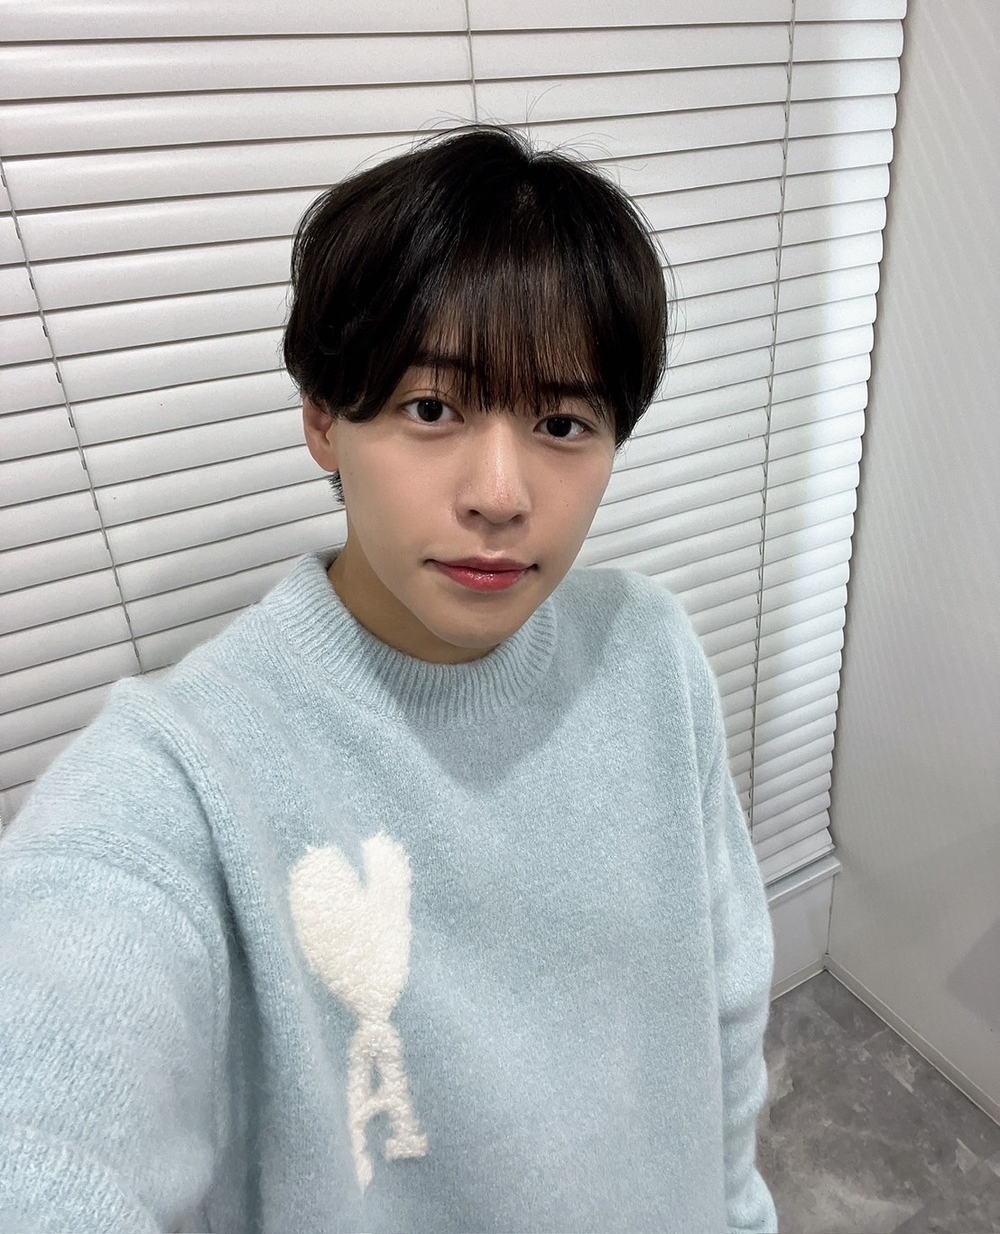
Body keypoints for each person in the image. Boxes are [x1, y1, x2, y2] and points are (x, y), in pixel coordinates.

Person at [0, 125, 778, 1233]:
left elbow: (726, 999)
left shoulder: (649, 653)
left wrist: (740, 1213)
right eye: (432, 408)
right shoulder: (182, 777)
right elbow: (46, 1106)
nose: (500, 493)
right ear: (324, 418)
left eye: (563, 422)